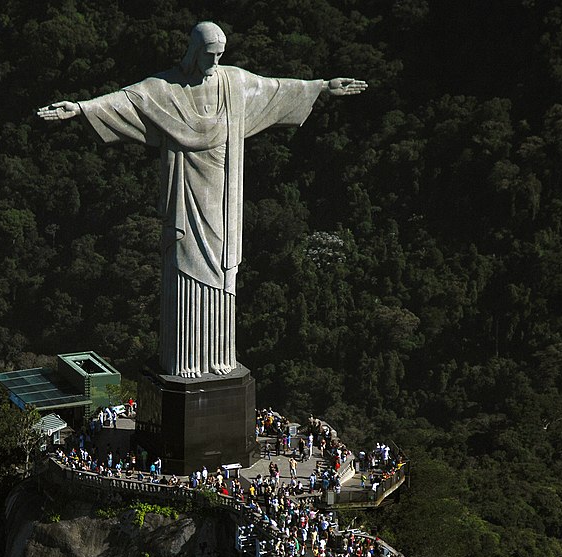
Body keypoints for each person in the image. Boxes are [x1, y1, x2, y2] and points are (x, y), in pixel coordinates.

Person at [39, 22, 366, 378]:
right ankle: (183, 361)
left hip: (223, 199)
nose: (214, 61)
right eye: (209, 54)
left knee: (222, 274)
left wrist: (321, 88)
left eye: (220, 55)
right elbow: (127, 100)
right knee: (184, 269)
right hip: (185, 195)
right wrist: (82, 108)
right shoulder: (165, 89)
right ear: (194, 51)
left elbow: (274, 89)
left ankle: (219, 359)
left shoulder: (234, 84)